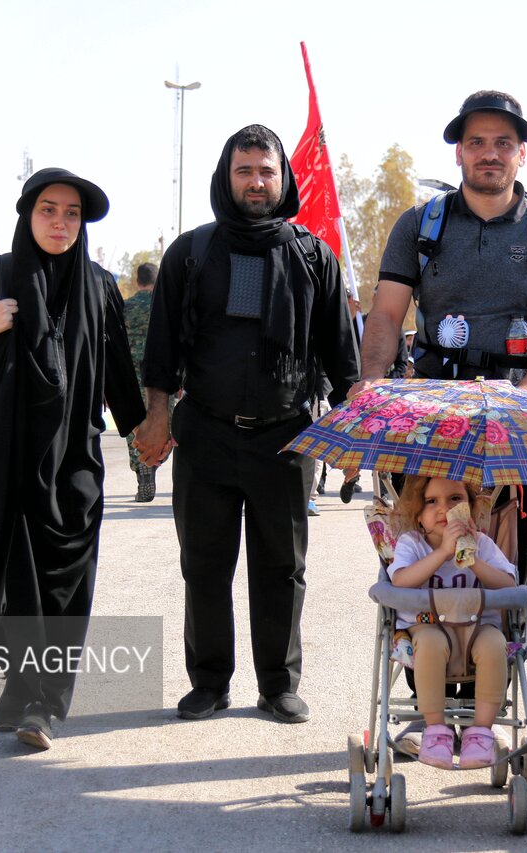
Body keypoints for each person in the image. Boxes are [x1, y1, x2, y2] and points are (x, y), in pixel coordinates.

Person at [135, 125, 360, 724]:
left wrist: (352, 434)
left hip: (285, 435)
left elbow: (343, 358)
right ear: (225, 177)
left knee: (282, 568)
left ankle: (278, 684)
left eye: (266, 171)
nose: (256, 182)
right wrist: (157, 417)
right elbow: (162, 349)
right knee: (204, 564)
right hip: (205, 433)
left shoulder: (314, 258)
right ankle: (209, 682)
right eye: (244, 171)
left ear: (283, 178)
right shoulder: (191, 252)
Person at [0, 167, 144, 750]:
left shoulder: (99, 287)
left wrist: (147, 431)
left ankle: (41, 701)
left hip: (72, 459)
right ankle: (18, 684)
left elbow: (120, 373)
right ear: (28, 214)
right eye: (49, 210)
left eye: (72, 213)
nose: (60, 222)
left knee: (63, 584)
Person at [354, 90, 527, 579]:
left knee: (504, 565)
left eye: (504, 142)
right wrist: (372, 379)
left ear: (522, 153)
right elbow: (387, 315)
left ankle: (501, 645)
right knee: (424, 539)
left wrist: (526, 399)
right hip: (435, 406)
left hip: (514, 406)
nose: (490, 153)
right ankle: (424, 638)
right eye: (476, 141)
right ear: (459, 152)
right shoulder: (419, 226)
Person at [388, 475, 517, 769]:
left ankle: (480, 731)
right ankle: (435, 729)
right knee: (431, 643)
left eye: (455, 499)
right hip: (427, 627)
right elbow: (400, 581)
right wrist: (444, 552)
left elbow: (509, 584)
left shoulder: (482, 544)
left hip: (476, 626)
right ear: (418, 514)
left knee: (495, 643)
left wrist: (472, 560)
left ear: (471, 508)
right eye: (432, 502)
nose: (444, 509)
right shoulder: (413, 543)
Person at [124, 261, 162, 502]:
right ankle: (154, 464)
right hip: (160, 378)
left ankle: (142, 472)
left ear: (138, 282)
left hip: (129, 377)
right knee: (160, 425)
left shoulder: (125, 307)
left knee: (134, 427)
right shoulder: (164, 307)